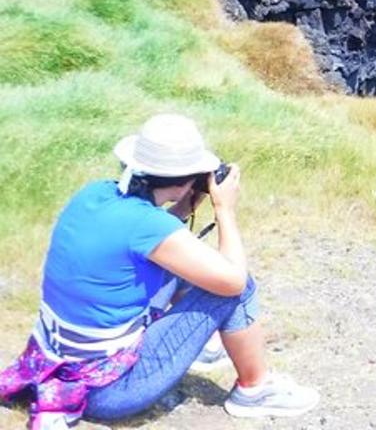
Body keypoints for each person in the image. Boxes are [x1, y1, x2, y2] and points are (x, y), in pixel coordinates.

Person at [0, 114, 319, 429]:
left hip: (52, 367)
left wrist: (181, 209)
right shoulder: (150, 226)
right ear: (184, 181)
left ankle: (199, 347)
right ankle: (255, 389)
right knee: (240, 287)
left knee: (184, 264)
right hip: (110, 391)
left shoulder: (94, 194)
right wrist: (224, 209)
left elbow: (140, 245)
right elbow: (232, 281)